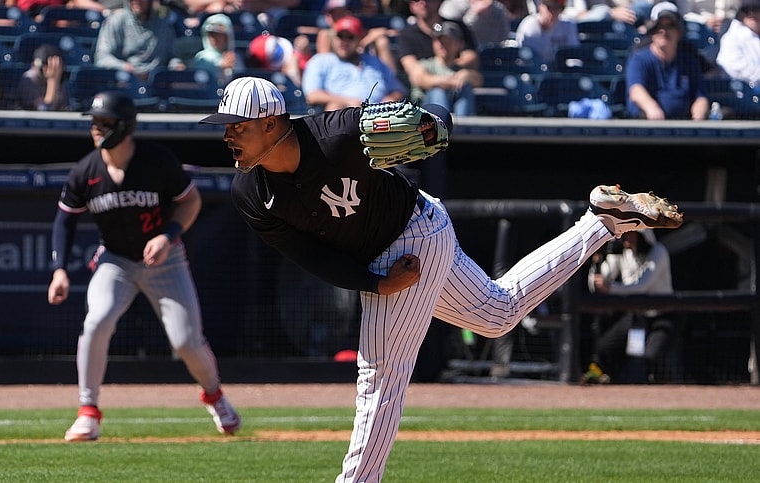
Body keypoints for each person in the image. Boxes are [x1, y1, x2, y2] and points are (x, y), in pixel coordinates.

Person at [198, 75, 684, 482]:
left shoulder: (341, 133)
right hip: (384, 259)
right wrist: (373, 284)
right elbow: (305, 254)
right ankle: (602, 221)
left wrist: (428, 121)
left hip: (413, 232)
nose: (226, 136)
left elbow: (435, 120)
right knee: (497, 313)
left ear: (272, 123)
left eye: (235, 126)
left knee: (381, 373)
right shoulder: (250, 192)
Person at [47, 90, 241, 441]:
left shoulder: (157, 160)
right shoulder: (85, 171)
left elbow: (191, 202)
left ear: (124, 126)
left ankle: (215, 396)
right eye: (93, 122)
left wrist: (168, 235)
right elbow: (65, 221)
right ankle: (87, 412)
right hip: (116, 260)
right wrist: (59, 269)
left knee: (186, 341)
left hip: (166, 260)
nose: (96, 129)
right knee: (97, 320)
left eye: (104, 122)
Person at [584, 229, 675, 383]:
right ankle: (615, 385)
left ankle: (665, 394)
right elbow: (599, 284)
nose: (626, 240)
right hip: (637, 316)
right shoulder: (623, 251)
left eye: (630, 234)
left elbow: (641, 286)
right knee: (605, 347)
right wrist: (598, 263)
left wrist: (610, 288)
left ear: (641, 235)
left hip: (662, 315)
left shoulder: (658, 252)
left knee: (651, 357)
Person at [625, 1, 710, 119]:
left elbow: (700, 97)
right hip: (648, 127)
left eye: (670, 26)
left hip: (683, 127)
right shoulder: (639, 59)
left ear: (679, 32)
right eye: (659, 26)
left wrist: (698, 118)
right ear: (652, 31)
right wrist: (651, 107)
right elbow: (636, 91)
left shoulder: (689, 61)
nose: (663, 31)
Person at [301, 15, 406, 110]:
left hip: (378, 115)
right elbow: (313, 96)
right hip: (343, 115)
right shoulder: (321, 60)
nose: (344, 42)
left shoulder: (374, 61)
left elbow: (398, 90)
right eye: (340, 36)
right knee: (335, 107)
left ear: (359, 39)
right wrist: (347, 101)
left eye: (350, 37)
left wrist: (390, 99)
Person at [94, 0, 185, 82]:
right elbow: (102, 58)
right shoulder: (116, 21)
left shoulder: (163, 25)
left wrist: (177, 65)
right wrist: (125, 67)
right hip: (126, 81)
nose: (136, 1)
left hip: (158, 82)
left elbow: (171, 55)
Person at [396, 0, 480, 87]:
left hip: (458, 81)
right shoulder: (407, 35)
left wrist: (448, 68)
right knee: (438, 93)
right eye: (417, 0)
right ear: (411, 6)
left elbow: (471, 56)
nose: (423, 3)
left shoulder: (456, 27)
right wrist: (438, 73)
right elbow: (411, 67)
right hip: (426, 89)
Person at [408, 20, 482, 116]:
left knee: (466, 88)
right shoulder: (424, 65)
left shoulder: (460, 69)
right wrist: (447, 81)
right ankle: (442, 126)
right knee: (437, 92)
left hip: (456, 110)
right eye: (440, 41)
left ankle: (464, 126)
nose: (443, 45)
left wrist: (467, 75)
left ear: (460, 44)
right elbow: (420, 79)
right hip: (424, 117)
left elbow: (479, 81)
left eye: (448, 41)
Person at [315, 0, 398, 74]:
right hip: (338, 73)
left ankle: (390, 80)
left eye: (341, 12)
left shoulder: (356, 29)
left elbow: (380, 32)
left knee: (382, 41)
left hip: (363, 72)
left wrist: (365, 41)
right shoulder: (326, 34)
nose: (337, 16)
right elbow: (324, 64)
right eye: (334, 13)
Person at [514, 0, 581, 61]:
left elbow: (574, 57)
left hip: (561, 71)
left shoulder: (568, 25)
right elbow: (524, 59)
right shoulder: (528, 27)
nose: (553, 13)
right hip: (535, 71)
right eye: (549, 8)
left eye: (558, 8)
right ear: (540, 7)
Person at [192, 12, 245, 86]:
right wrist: (221, 67)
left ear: (227, 37)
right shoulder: (202, 57)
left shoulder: (236, 57)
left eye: (219, 35)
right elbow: (201, 82)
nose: (214, 38)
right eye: (211, 34)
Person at [716, 0, 760, 84]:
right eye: (746, 10)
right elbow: (736, 69)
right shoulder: (732, 36)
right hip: (740, 91)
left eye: (756, 9)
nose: (751, 13)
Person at [438, 0, 513, 47]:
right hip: (464, 58)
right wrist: (474, 14)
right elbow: (454, 36)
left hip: (493, 59)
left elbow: (504, 37)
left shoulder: (499, 9)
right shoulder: (451, 6)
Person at [17, 43, 70, 111]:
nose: (54, 69)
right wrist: (52, 81)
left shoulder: (62, 79)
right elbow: (44, 110)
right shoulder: (29, 80)